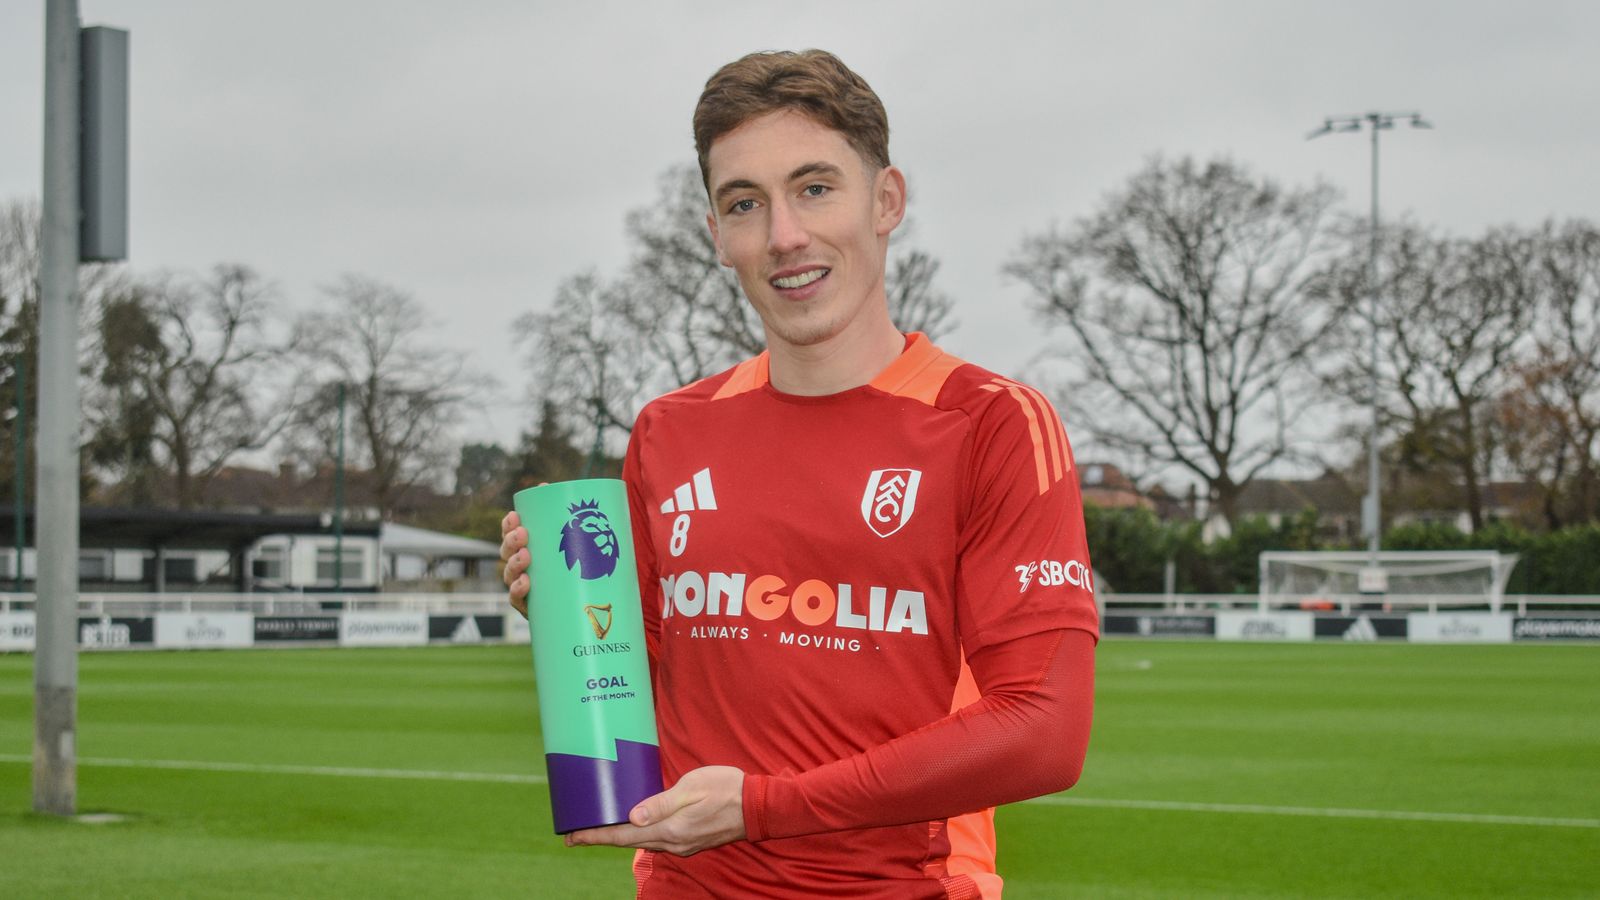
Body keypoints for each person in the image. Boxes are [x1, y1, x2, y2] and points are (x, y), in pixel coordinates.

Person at [501, 49, 1097, 899]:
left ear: (886, 201)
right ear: (717, 235)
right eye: (745, 203)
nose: (783, 236)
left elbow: (1044, 732)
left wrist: (763, 807)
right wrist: (567, 614)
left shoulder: (991, 423)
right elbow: (655, 677)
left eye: (815, 188)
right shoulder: (670, 430)